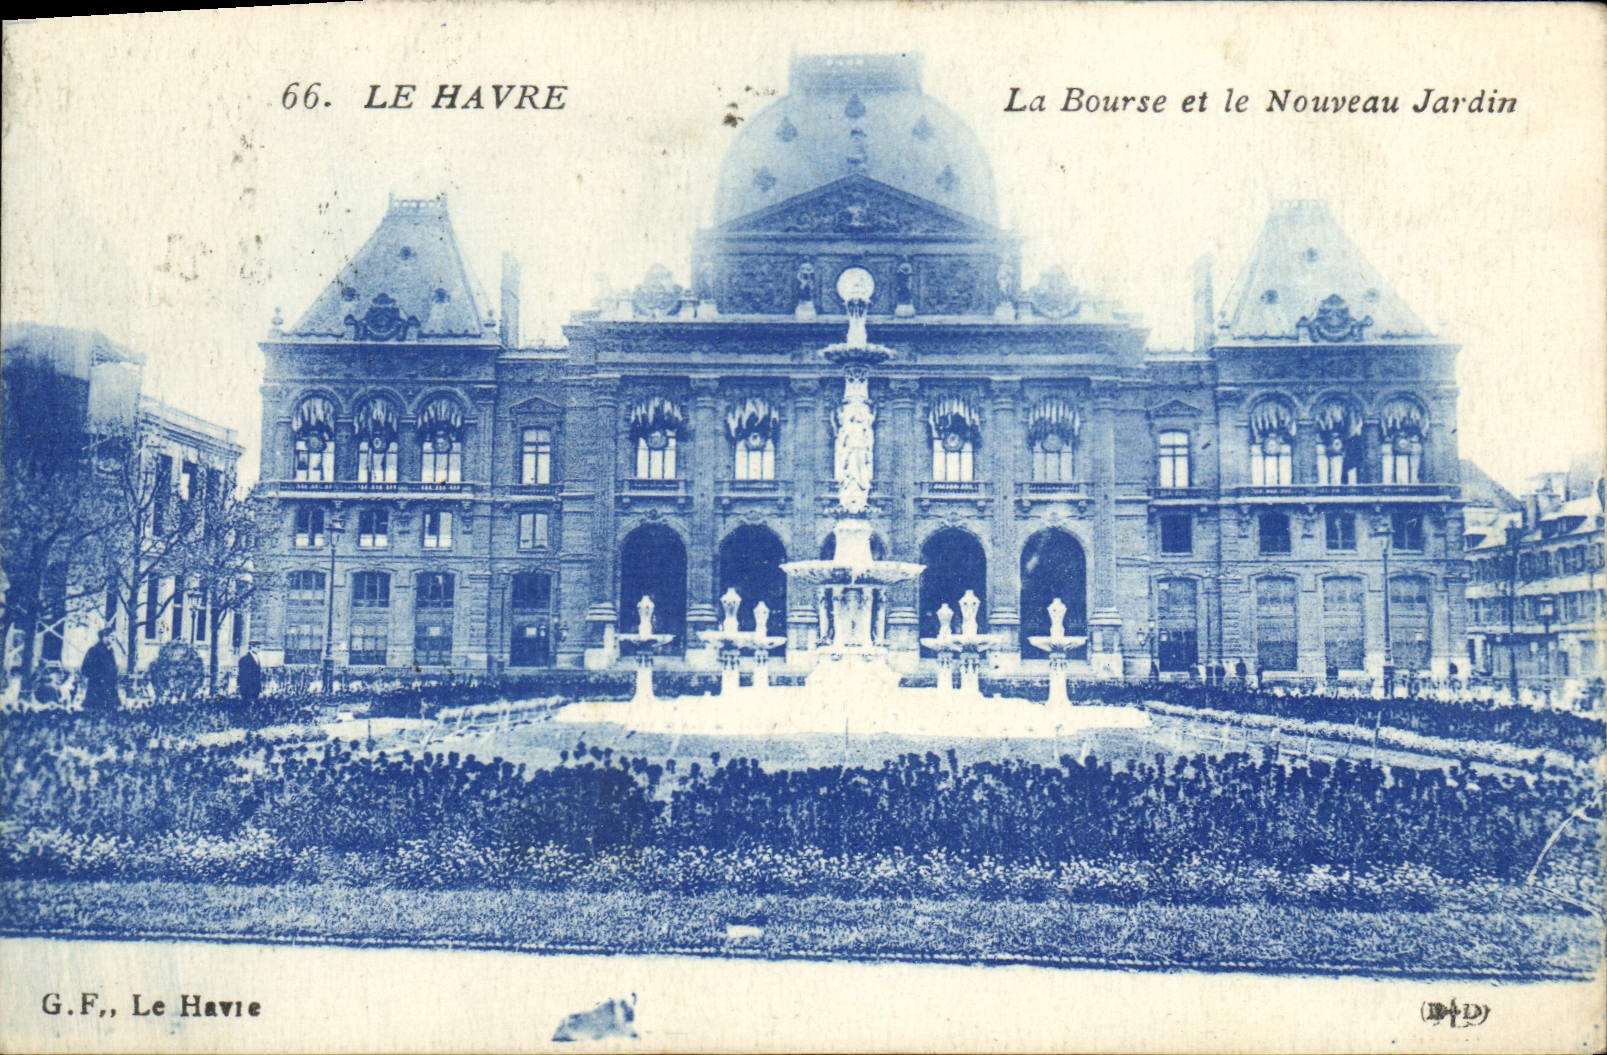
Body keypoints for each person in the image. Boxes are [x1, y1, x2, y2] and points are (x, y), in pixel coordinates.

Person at [80, 628, 121, 712]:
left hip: (110, 689)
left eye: (115, 637)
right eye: (111, 636)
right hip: (96, 689)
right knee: (96, 713)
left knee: (110, 716)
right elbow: (85, 669)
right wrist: (99, 678)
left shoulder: (110, 651)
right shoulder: (94, 651)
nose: (114, 639)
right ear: (104, 637)